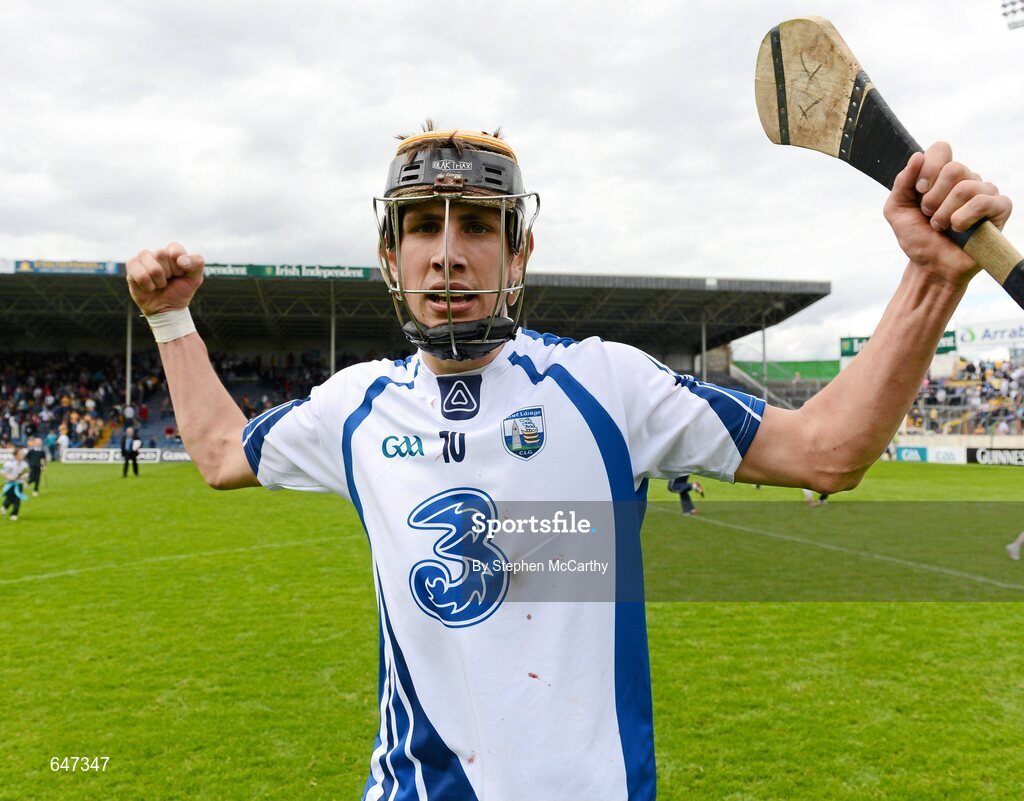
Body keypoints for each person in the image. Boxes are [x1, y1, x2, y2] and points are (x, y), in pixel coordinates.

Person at [126, 126, 1011, 800]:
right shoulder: (355, 406)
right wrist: (170, 318)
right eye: (420, 229)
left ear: (520, 252)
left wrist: (931, 279)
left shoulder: (606, 384)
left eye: (477, 224)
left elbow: (829, 451)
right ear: (388, 257)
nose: (447, 252)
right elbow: (215, 453)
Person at [2, 448, 29, 521]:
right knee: (10, 499)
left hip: (19, 484)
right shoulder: (9, 464)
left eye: (23, 454)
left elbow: (26, 472)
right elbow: (3, 472)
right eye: (21, 454)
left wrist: (25, 480)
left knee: (17, 500)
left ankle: (14, 514)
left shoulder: (24, 464)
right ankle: (4, 507)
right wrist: (9, 477)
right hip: (10, 484)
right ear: (16, 455)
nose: (22, 456)